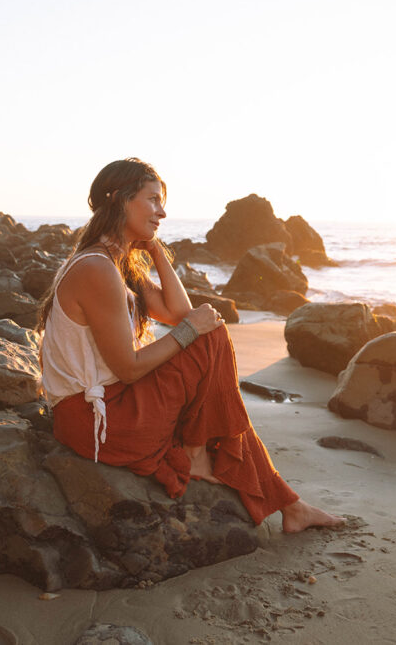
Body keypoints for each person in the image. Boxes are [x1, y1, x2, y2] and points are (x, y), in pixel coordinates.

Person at [39, 158, 343, 533]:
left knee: (209, 342)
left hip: (110, 407)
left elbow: (178, 312)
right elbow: (129, 368)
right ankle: (203, 457)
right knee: (210, 337)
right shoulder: (96, 269)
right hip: (96, 421)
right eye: (153, 200)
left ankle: (290, 505)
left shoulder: (115, 265)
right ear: (119, 199)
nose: (162, 212)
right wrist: (190, 330)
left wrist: (154, 251)